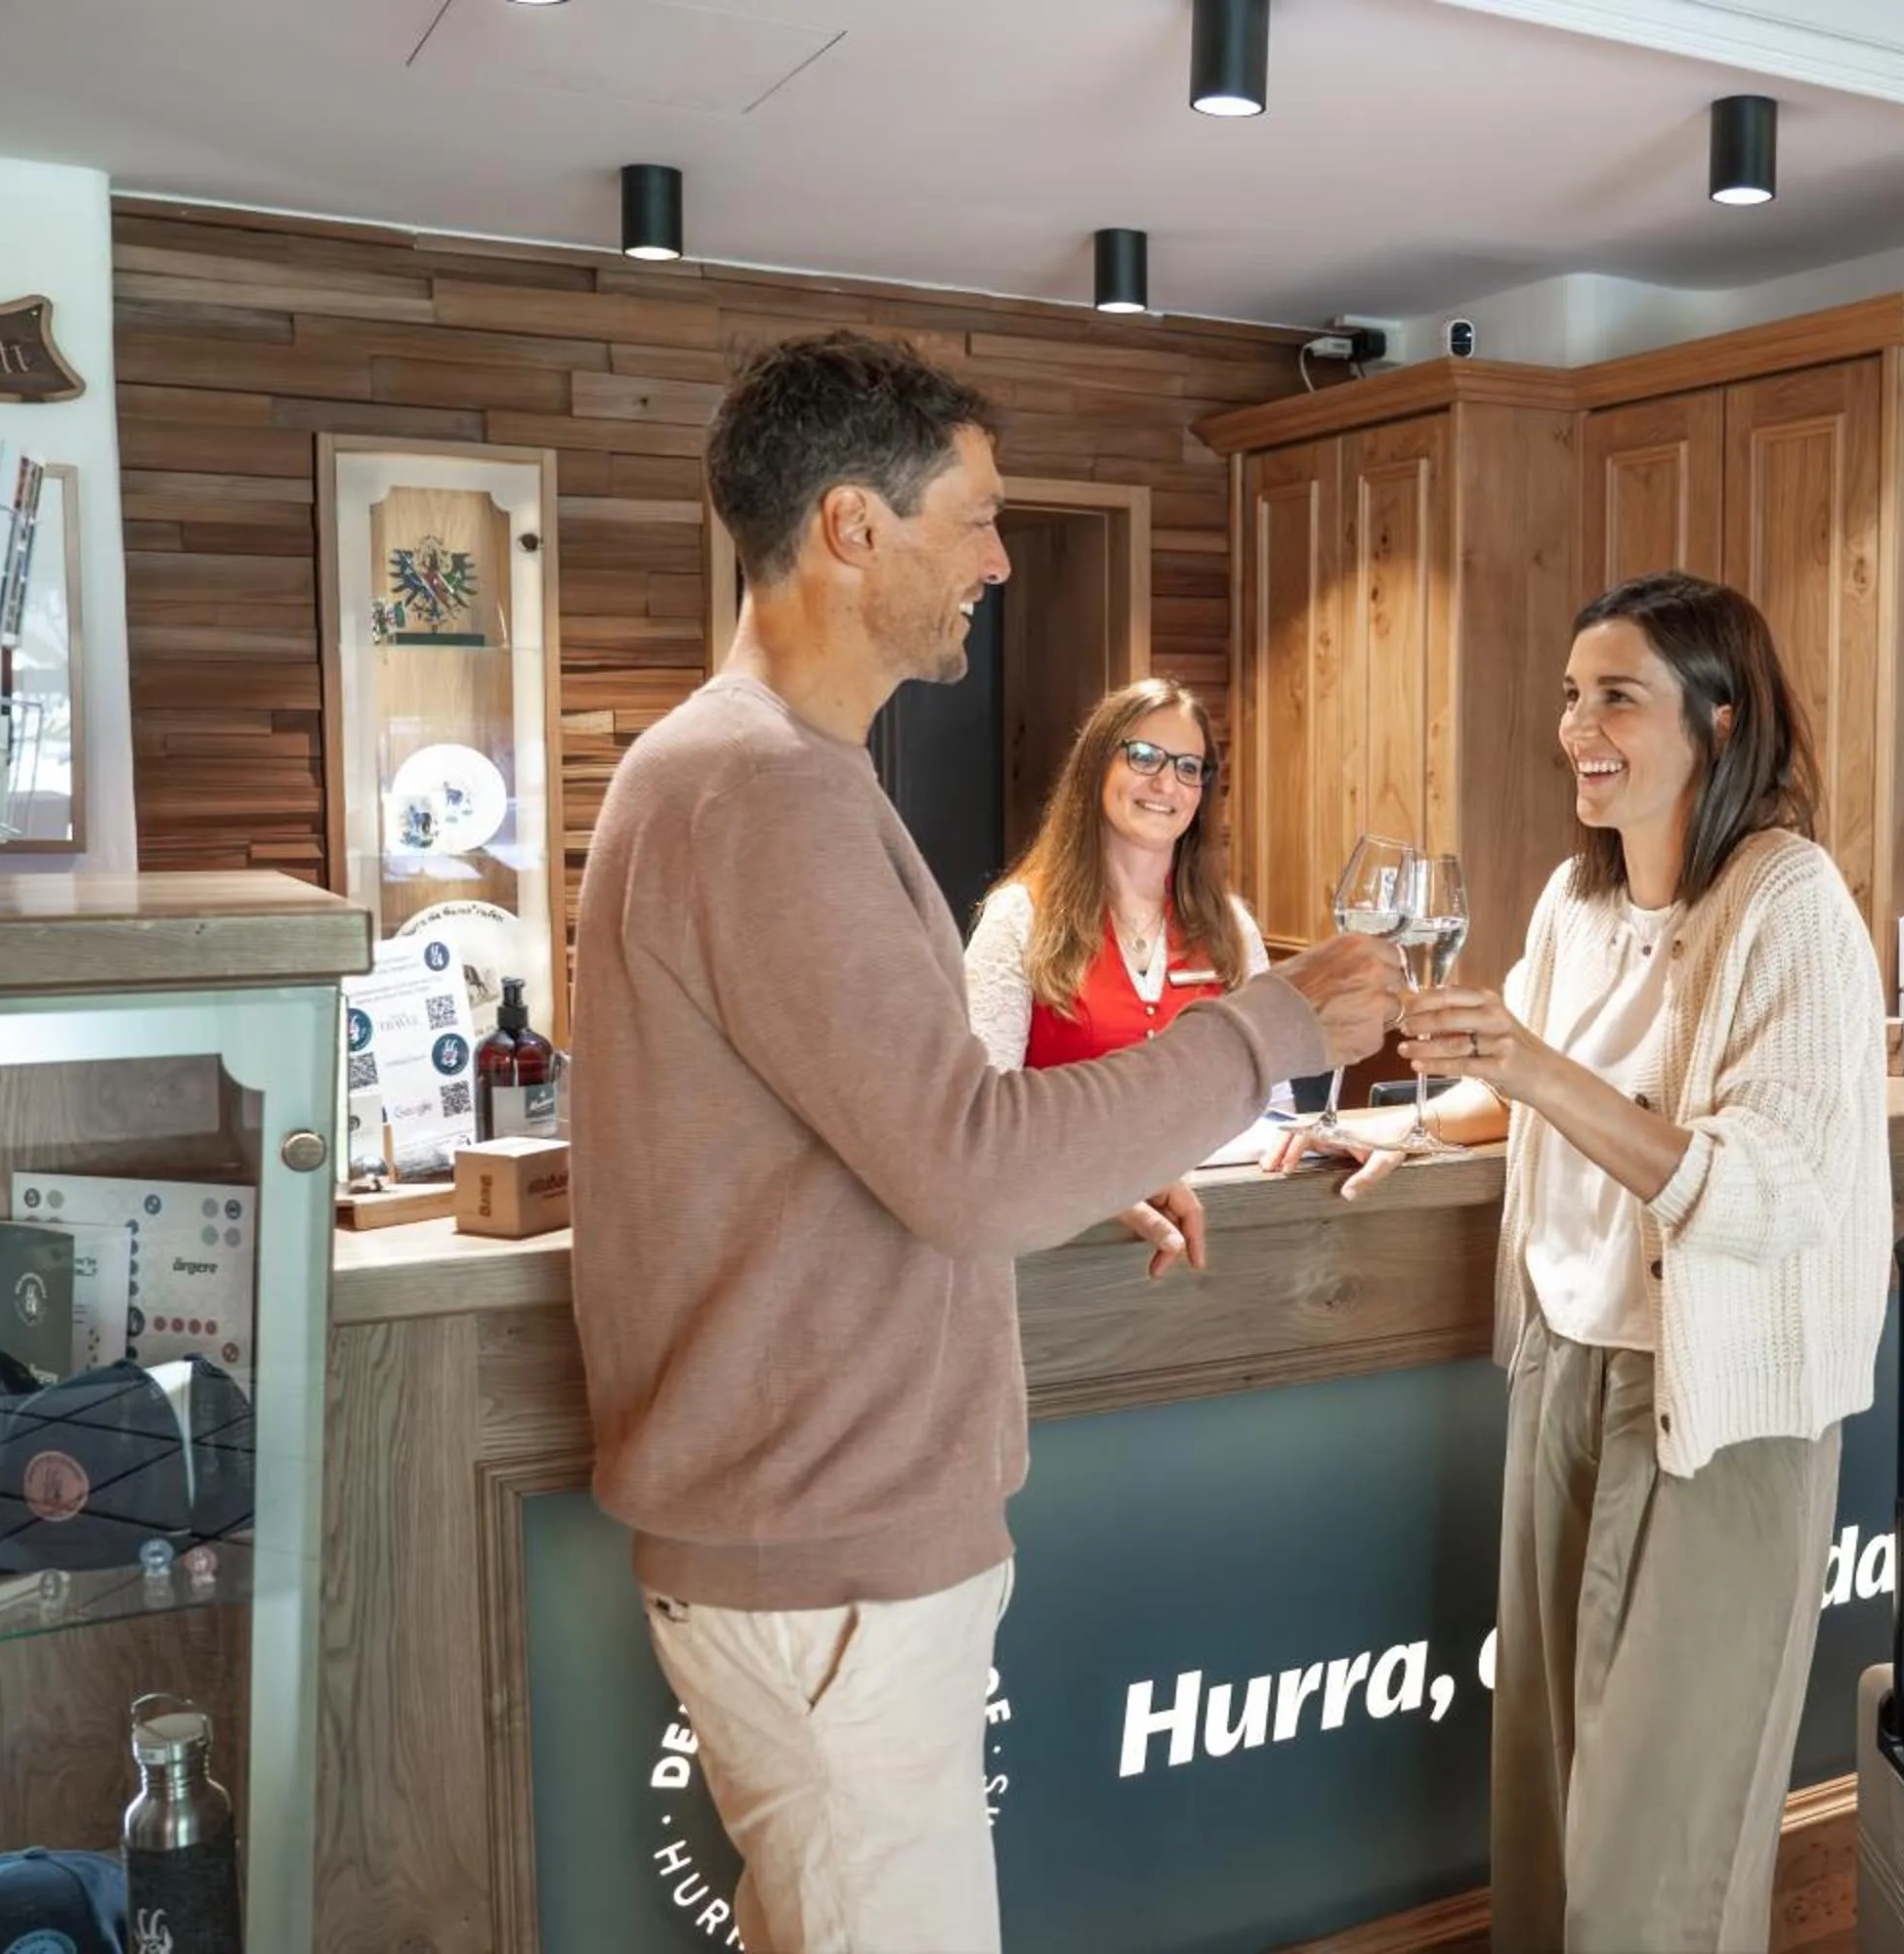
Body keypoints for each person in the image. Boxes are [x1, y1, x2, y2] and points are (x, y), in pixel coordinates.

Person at [568, 329, 1403, 1954]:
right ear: (850, 531)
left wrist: (1081, 1173)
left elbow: (885, 1155)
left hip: (815, 1555)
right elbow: (964, 1159)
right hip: (833, 1572)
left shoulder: (758, 773)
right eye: (973, 516)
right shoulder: (767, 795)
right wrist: (1270, 1029)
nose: (1002, 558)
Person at [1269, 572, 1891, 1953]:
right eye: (1570, 695)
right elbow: (1530, 1092)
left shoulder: (1787, 904)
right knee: (1547, 1824)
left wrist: (1529, 1062)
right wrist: (1408, 1121)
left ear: (1720, 723)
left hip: (1713, 1415)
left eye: (1618, 696)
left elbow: (1764, 1191)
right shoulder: (1577, 897)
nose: (1577, 728)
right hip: (1562, 1365)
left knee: (1656, 1858)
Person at [964, 676, 1293, 1279]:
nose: (1166, 783)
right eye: (1143, 756)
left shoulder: (1232, 927)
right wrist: (1101, 1180)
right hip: (1061, 1253)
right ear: (1096, 767)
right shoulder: (1019, 917)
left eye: (1189, 767)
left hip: (1219, 1243)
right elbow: (982, 1125)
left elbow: (1271, 1107)